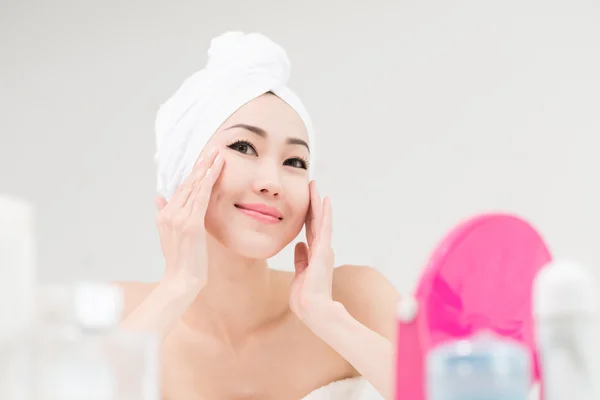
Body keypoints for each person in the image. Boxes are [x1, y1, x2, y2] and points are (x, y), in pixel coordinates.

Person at [119, 32, 400, 400]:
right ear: (184, 166)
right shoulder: (114, 315)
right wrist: (177, 288)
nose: (272, 182)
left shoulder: (356, 300)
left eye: (294, 162)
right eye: (244, 147)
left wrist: (327, 316)